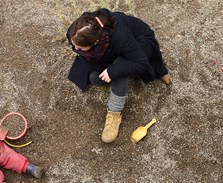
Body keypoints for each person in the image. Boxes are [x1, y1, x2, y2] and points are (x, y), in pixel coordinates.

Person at [66, 8, 172, 143]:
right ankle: (111, 71)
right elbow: (80, 48)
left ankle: (114, 113)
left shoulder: (121, 37)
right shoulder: (76, 31)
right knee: (94, 79)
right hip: (110, 49)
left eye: (80, 48)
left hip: (139, 43)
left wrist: (113, 71)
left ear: (95, 42)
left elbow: (141, 62)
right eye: (74, 46)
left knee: (120, 70)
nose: (76, 50)